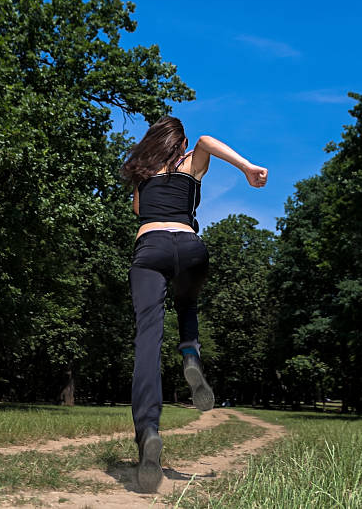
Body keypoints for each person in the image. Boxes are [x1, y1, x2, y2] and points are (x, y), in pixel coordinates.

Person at [120, 116, 268, 492]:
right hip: (189, 246)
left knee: (147, 343)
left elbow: (141, 213)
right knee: (187, 299)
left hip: (150, 247)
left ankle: (149, 432)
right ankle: (190, 352)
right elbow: (206, 140)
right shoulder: (191, 164)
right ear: (180, 143)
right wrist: (248, 168)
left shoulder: (142, 172)